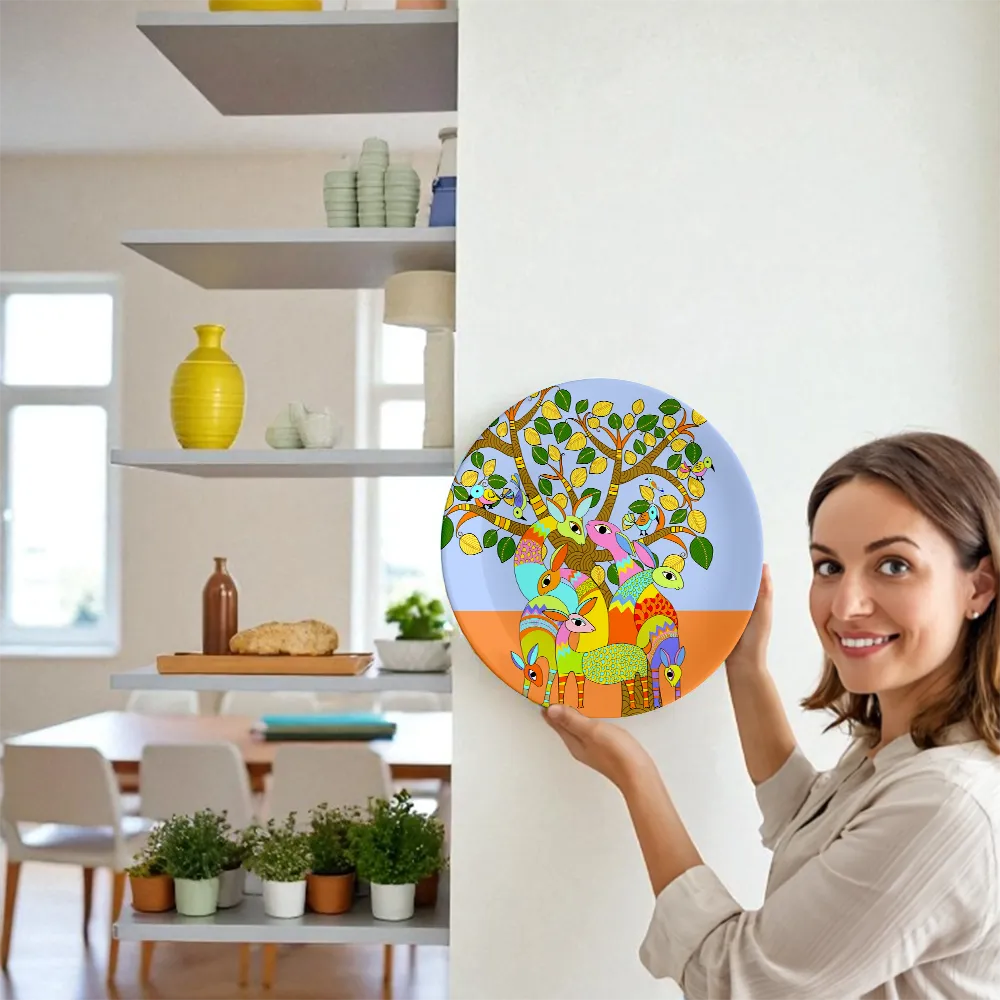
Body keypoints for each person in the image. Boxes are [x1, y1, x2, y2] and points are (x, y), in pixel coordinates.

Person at [544, 431, 1000, 999]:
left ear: (978, 586)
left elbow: (737, 979)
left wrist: (636, 777)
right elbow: (811, 823)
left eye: (893, 565)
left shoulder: (947, 806)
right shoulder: (905, 745)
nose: (846, 605)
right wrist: (747, 668)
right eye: (829, 566)